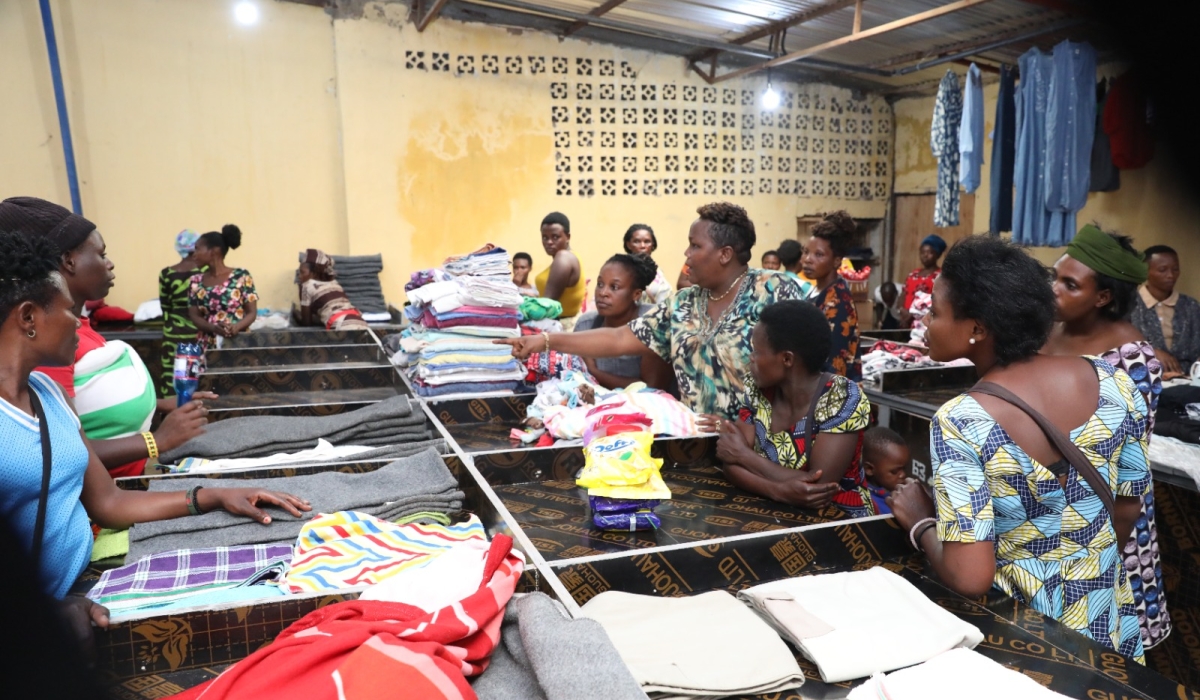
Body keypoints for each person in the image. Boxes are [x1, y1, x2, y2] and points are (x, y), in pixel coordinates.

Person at [0, 230, 310, 605]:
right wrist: (42, 615)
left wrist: (215, 495)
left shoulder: (48, 396)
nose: (78, 324)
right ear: (29, 317)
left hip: (82, 582)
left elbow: (109, 503)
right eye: (68, 311)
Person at [890, 235, 1151, 664]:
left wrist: (920, 522)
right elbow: (1126, 509)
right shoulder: (1114, 382)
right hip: (1108, 622)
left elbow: (970, 576)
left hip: (1023, 637)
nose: (925, 325)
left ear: (977, 329)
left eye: (935, 313)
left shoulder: (961, 420)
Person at [498, 202, 805, 423]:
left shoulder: (774, 291)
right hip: (696, 439)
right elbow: (619, 338)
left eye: (695, 246)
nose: (686, 254)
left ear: (724, 254)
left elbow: (806, 368)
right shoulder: (683, 303)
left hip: (763, 444)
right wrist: (546, 341)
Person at [0, 196, 215, 479]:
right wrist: (156, 441)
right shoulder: (50, 344)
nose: (110, 264)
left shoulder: (78, 328)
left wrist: (163, 405)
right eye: (101, 254)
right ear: (69, 261)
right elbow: (63, 451)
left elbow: (92, 405)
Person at [1042, 225, 1171, 650]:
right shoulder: (1046, 332)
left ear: (1103, 297)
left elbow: (1123, 460)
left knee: (1101, 643)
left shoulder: (1132, 360)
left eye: (1069, 284)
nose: (1054, 289)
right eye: (1055, 276)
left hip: (1109, 511)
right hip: (1047, 506)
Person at [715, 300, 872, 513]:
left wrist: (745, 455)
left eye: (757, 352)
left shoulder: (842, 396)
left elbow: (819, 488)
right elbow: (730, 464)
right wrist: (777, 491)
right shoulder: (758, 389)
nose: (750, 359)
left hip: (840, 523)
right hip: (770, 511)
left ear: (787, 359)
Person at [574, 254, 662, 390]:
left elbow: (650, 388)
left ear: (636, 294)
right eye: (600, 284)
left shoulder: (652, 323)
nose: (603, 293)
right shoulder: (585, 326)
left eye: (614, 287)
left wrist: (594, 372)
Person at [802, 211, 862, 381]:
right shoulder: (816, 291)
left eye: (818, 255)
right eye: (806, 252)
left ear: (837, 261)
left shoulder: (837, 302)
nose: (808, 259)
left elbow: (835, 366)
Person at [1132, 245, 1200, 377]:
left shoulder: (1190, 306)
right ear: (1145, 271)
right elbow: (1116, 346)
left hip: (1187, 381)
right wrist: (1149, 351)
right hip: (1145, 381)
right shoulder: (1130, 305)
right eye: (1162, 270)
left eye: (1175, 269)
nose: (1171, 275)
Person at [188, 225, 258, 350]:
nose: (194, 254)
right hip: (207, 346)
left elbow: (252, 313)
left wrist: (236, 327)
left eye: (197, 249)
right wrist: (214, 328)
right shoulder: (196, 281)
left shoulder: (241, 276)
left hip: (238, 342)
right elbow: (194, 316)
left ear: (213, 251)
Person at [158, 229, 202, 397]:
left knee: (173, 375)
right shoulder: (203, 273)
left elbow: (165, 306)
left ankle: (172, 413)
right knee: (196, 374)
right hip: (198, 333)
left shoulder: (167, 274)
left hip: (173, 335)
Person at [534, 212, 587, 330]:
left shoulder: (563, 258)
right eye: (545, 237)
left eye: (555, 237)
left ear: (568, 237)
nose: (549, 242)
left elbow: (547, 304)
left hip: (560, 329)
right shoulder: (571, 256)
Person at [294, 249, 368, 331]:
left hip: (341, 326)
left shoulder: (306, 286)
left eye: (302, 272)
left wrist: (295, 314)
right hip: (361, 322)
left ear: (314, 273)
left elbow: (306, 323)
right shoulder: (335, 283)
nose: (299, 276)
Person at [861, 426, 910, 516]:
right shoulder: (869, 507)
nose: (903, 475)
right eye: (895, 471)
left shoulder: (891, 491)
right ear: (869, 469)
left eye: (904, 468)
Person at [622, 223, 673, 305]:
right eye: (637, 241)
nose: (642, 246)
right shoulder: (620, 270)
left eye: (647, 242)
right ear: (628, 245)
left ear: (652, 245)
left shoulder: (658, 272)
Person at [901, 234, 946, 326]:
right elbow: (903, 294)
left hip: (924, 323)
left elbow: (939, 301)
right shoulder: (913, 274)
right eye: (922, 252)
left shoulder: (940, 276)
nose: (925, 256)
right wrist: (902, 311)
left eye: (930, 253)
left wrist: (913, 314)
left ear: (938, 255)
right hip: (905, 321)